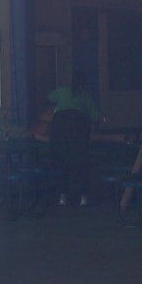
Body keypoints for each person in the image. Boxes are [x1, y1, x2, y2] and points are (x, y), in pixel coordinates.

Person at [48, 72, 101, 206]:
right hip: (78, 128)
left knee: (61, 159)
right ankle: (83, 197)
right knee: (80, 161)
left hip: (59, 128)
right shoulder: (86, 96)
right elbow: (96, 117)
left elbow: (49, 97)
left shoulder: (63, 91)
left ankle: (62, 196)